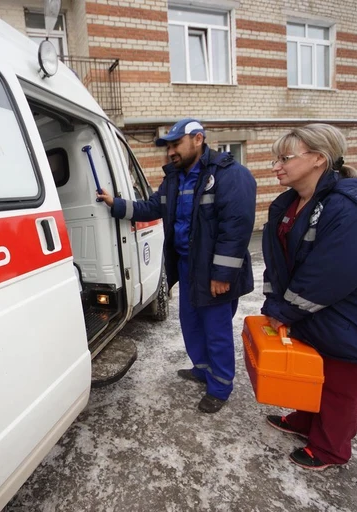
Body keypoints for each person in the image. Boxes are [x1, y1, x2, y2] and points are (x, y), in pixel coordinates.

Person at [260, 124, 357, 470]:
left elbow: (330, 274)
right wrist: (274, 303)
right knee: (314, 374)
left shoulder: (352, 208)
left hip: (354, 317)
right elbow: (277, 263)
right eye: (276, 159)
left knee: (340, 388)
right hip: (314, 312)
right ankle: (306, 420)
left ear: (318, 159)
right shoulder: (289, 204)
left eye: (285, 158)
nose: (276, 166)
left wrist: (285, 310)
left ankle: (331, 449)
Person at [97, 118, 257, 413]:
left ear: (198, 139)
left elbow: (236, 228)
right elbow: (151, 207)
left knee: (216, 329)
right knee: (191, 322)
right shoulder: (175, 179)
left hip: (213, 270)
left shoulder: (229, 174)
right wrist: (115, 204)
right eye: (168, 147)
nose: (170, 152)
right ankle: (202, 369)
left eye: (175, 145)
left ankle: (220, 386)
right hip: (186, 265)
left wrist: (222, 274)